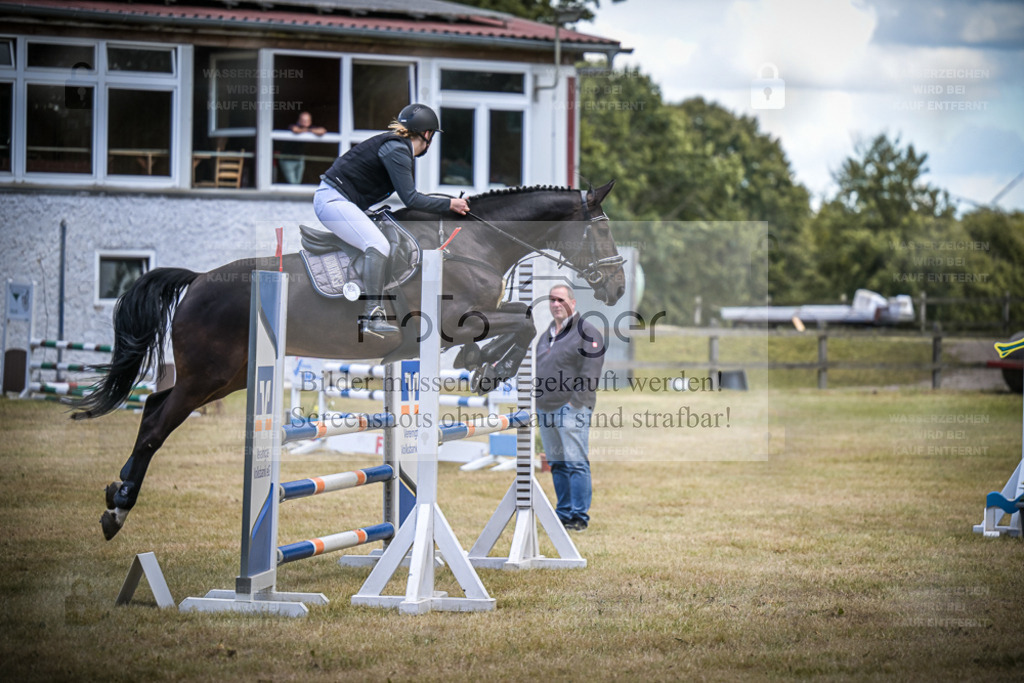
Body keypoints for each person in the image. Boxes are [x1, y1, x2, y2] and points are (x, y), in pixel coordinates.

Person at [315, 103, 469, 337]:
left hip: (340, 200)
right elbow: (411, 199)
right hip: (332, 201)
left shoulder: (396, 146)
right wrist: (449, 204)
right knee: (378, 245)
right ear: (428, 134)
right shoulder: (397, 150)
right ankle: (372, 314)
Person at [535, 284, 606, 531]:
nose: (556, 304)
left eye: (561, 300)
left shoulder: (587, 332)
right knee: (557, 464)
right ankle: (563, 514)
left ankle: (578, 517)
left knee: (575, 463)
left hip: (571, 409)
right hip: (545, 408)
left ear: (572, 303)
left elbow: (590, 374)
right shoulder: (547, 333)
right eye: (552, 300)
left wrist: (573, 403)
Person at [278, 111, 326, 184]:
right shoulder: (293, 126)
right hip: (287, 158)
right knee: (293, 183)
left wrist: (309, 130)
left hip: (299, 159)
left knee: (297, 183)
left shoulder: (309, 128)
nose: (305, 123)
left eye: (307, 121)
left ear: (310, 122)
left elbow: (322, 131)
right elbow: (295, 130)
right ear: (299, 121)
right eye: (303, 121)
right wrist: (308, 130)